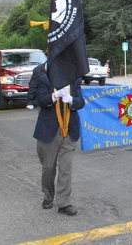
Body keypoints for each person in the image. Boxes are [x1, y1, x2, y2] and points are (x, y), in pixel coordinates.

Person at [33, 63, 85, 215]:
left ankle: (64, 203)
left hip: (69, 130)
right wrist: (54, 96)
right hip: (49, 130)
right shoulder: (44, 77)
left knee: (66, 168)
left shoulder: (75, 78)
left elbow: (81, 101)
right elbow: (41, 100)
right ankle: (48, 196)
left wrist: (72, 101)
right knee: (48, 167)